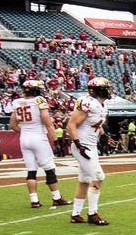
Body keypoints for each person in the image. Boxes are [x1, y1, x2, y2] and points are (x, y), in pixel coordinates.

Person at [9, 79, 69, 209]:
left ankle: (34, 200)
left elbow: (12, 125)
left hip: (24, 139)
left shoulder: (17, 102)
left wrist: (25, 131)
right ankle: (56, 197)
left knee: (31, 171)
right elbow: (48, 123)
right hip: (38, 137)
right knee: (49, 168)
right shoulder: (39, 100)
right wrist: (55, 141)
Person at [67, 77, 112, 226]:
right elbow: (71, 124)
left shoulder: (101, 105)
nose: (109, 90)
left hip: (91, 145)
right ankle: (92, 213)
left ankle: (75, 214)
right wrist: (78, 145)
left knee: (84, 181)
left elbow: (93, 125)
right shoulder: (88, 103)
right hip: (83, 146)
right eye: (106, 88)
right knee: (98, 176)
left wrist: (103, 134)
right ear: (98, 90)